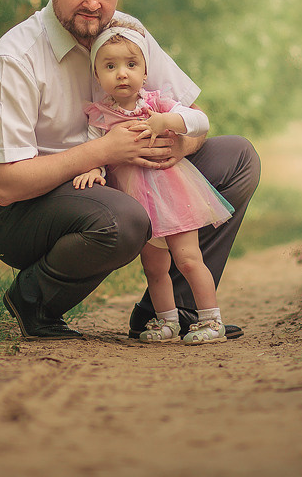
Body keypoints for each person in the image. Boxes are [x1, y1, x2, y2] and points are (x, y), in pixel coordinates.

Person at [0, 0, 260, 340]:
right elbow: (4, 185)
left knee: (238, 158)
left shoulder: (127, 34)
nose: (94, 4)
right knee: (127, 218)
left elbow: (192, 113)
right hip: (31, 210)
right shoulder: (13, 59)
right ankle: (36, 302)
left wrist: (180, 143)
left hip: (126, 179)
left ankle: (172, 313)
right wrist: (105, 151)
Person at [73, 21, 234, 344]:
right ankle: (167, 321)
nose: (122, 73)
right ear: (97, 75)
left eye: (131, 65)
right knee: (155, 268)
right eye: (110, 66)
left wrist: (169, 121)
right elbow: (93, 154)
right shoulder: (99, 117)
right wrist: (94, 170)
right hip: (137, 203)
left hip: (173, 194)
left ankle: (211, 319)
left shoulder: (156, 104)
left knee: (188, 259)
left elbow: (200, 121)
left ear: (145, 72)